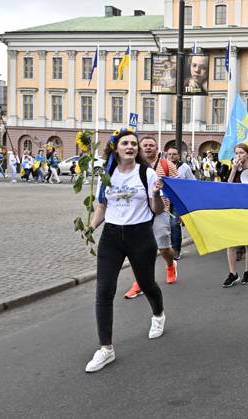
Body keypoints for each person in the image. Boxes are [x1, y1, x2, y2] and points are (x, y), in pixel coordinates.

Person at [86, 130, 166, 373]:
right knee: (104, 290)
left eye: (134, 143)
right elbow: (102, 205)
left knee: (146, 283)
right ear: (116, 148)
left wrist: (156, 194)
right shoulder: (106, 175)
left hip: (140, 235)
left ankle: (158, 314)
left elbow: (158, 210)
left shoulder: (147, 173)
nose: (130, 146)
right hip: (111, 236)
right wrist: (90, 228)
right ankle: (106, 348)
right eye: (125, 143)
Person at [124, 138, 179, 299]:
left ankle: (170, 264)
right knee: (139, 249)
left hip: (161, 210)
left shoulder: (167, 165)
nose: (148, 148)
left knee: (163, 247)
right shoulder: (133, 165)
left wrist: (180, 212)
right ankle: (139, 283)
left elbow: (177, 188)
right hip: (139, 213)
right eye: (145, 145)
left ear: (157, 148)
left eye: (151, 145)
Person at [223, 143, 248, 288]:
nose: (238, 156)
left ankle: (247, 272)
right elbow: (228, 186)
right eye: (236, 153)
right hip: (234, 208)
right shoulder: (234, 169)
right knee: (231, 242)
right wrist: (234, 170)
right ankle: (233, 273)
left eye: (241, 153)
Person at [166, 147, 195, 260]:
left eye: (174, 154)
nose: (172, 156)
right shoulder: (162, 166)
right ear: (166, 155)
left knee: (174, 224)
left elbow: (192, 183)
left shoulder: (184, 167)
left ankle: (176, 249)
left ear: (178, 156)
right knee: (165, 226)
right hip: (164, 201)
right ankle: (164, 247)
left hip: (178, 201)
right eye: (169, 154)